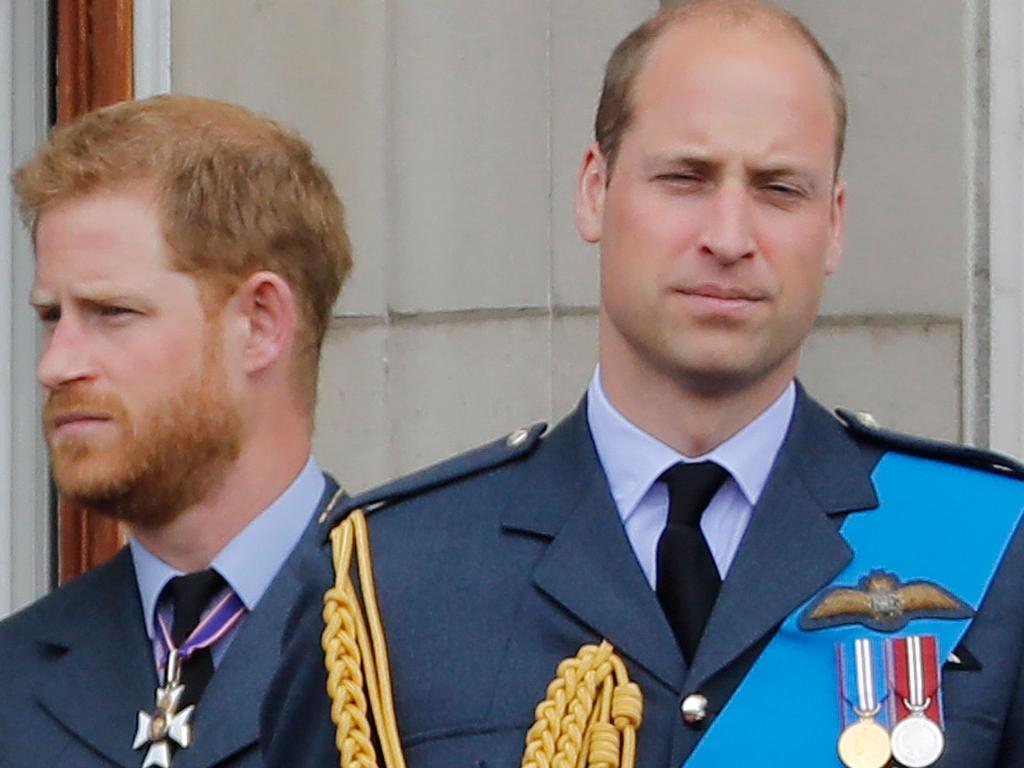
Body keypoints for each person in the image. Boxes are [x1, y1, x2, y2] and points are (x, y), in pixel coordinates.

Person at [261, 1, 1024, 766]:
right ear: (596, 190)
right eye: (685, 178)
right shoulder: (393, 580)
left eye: (778, 189)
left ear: (835, 222)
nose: (728, 237)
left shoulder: (996, 557)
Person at [0, 94, 352, 768]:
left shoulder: (422, 648)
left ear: (260, 323)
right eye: (52, 316)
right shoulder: (15, 681)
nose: (56, 364)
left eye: (112, 311)